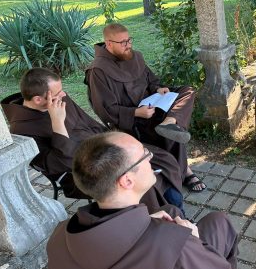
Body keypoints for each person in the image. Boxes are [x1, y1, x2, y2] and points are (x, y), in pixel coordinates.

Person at [47, 132, 241, 269]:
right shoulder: (176, 246)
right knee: (219, 222)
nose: (151, 157)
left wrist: (145, 221)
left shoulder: (58, 237)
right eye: (145, 154)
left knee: (169, 211)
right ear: (127, 181)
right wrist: (195, 242)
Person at [1, 68, 185, 212]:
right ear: (38, 99)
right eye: (57, 93)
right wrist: (58, 123)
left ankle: (175, 212)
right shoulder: (22, 131)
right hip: (83, 174)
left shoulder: (58, 99)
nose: (63, 95)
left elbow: (90, 124)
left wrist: (116, 142)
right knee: (139, 182)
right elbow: (61, 164)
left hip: (105, 150)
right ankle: (158, 221)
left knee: (163, 159)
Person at [85, 23, 205, 191]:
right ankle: (184, 171)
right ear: (109, 44)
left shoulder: (134, 57)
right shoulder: (98, 71)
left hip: (153, 104)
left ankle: (170, 122)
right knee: (170, 128)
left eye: (129, 40)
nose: (128, 45)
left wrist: (158, 89)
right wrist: (136, 112)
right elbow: (106, 110)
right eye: (123, 42)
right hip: (133, 119)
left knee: (186, 92)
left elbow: (151, 80)